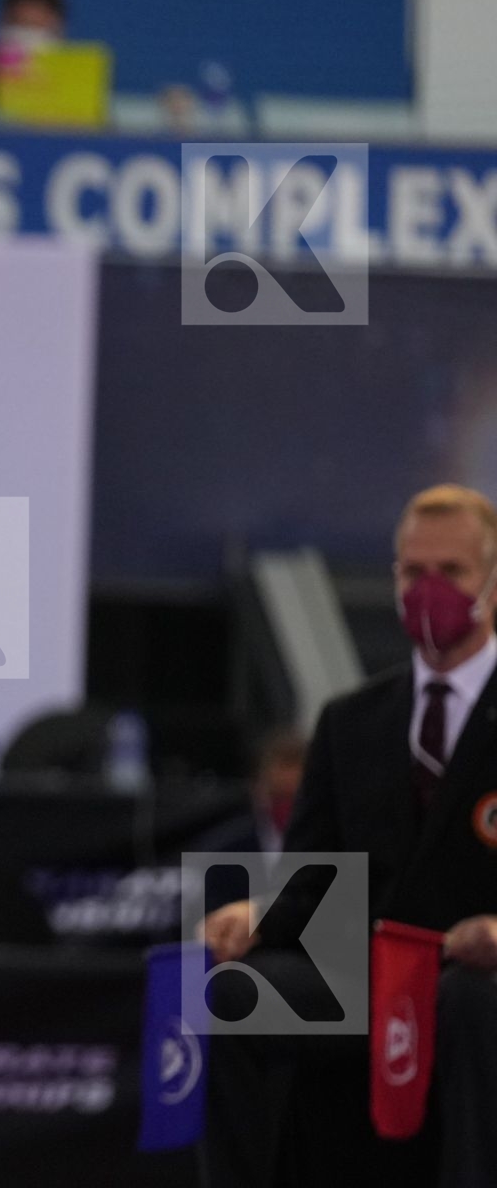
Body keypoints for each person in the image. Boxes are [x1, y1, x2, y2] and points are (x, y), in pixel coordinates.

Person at [200, 484, 497, 1188]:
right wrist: (258, 917)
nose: (428, 591)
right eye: (411, 572)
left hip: (479, 974)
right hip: (372, 972)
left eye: (450, 573)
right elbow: (309, 881)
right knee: (233, 993)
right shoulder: (351, 720)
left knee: (471, 1003)